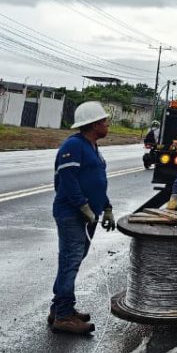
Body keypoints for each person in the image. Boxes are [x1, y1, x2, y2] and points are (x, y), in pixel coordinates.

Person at [49, 101, 116, 335]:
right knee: (70, 262)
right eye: (104, 121)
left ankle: (59, 309)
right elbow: (68, 181)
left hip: (88, 216)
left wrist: (106, 207)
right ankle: (64, 316)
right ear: (93, 124)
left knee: (73, 261)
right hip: (71, 215)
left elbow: (97, 183)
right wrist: (83, 207)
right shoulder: (74, 145)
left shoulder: (93, 147)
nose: (108, 125)